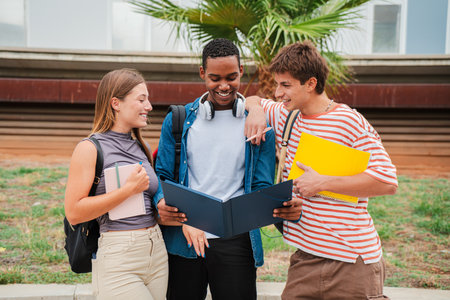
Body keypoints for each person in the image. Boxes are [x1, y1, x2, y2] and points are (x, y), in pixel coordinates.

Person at [245, 41, 398, 300]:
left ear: (311, 84)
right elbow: (251, 99)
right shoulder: (286, 115)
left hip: (352, 261)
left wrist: (322, 183)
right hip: (305, 258)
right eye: (277, 84)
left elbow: (387, 182)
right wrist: (257, 111)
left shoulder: (349, 121)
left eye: (286, 85)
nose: (278, 93)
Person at [155, 38, 302, 300]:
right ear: (202, 74)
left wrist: (278, 205)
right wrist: (164, 204)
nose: (224, 86)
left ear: (241, 71)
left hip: (237, 240)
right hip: (186, 237)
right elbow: (163, 175)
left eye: (232, 77)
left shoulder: (258, 123)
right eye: (215, 78)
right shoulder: (177, 119)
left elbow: (261, 185)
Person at [64, 68, 168, 300]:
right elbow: (73, 213)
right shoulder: (89, 149)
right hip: (119, 256)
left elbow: (146, 201)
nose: (149, 106)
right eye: (141, 100)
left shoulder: (142, 146)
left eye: (148, 100)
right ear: (116, 103)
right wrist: (127, 190)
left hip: (156, 251)